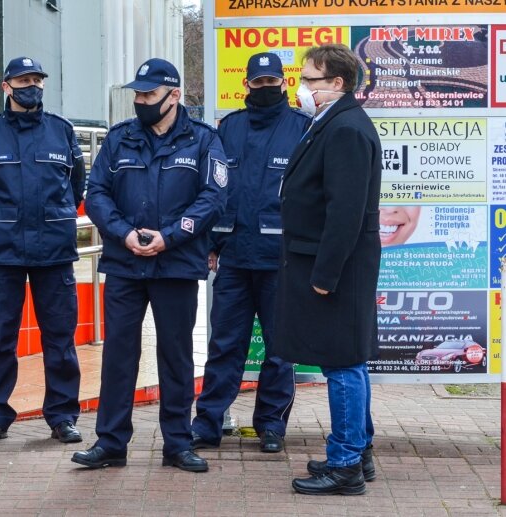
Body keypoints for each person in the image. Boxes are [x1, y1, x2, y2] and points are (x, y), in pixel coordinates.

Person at [71, 58, 227, 473]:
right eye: (137, 94)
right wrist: (123, 233)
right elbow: (97, 192)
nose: (140, 101)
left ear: (174, 96)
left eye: (149, 94)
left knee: (175, 357)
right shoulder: (120, 138)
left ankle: (177, 443)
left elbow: (212, 198)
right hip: (125, 264)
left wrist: (170, 236)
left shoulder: (204, 141)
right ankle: (110, 444)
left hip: (176, 264)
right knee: (118, 356)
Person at [274, 43, 382, 495]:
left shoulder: (345, 130)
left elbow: (346, 212)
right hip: (324, 262)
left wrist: (325, 274)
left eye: (310, 80)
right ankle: (357, 450)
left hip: (335, 268)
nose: (301, 88)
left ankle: (345, 465)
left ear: (336, 84)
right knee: (347, 363)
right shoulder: (332, 123)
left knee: (341, 365)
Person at [0, 56, 86, 447]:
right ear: (6, 86)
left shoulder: (62, 132)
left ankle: (62, 416)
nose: (30, 85)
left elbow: (76, 187)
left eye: (36, 79)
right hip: (3, 254)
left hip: (54, 253)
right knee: (0, 340)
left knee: (60, 341)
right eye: (22, 79)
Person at [190, 52, 309, 455]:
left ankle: (271, 426)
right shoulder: (228, 129)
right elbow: (211, 191)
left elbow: (311, 197)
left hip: (281, 260)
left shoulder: (301, 129)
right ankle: (207, 424)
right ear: (246, 85)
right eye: (258, 83)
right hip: (234, 259)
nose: (265, 88)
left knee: (280, 349)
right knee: (225, 345)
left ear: (283, 83)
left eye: (271, 82)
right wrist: (208, 243)